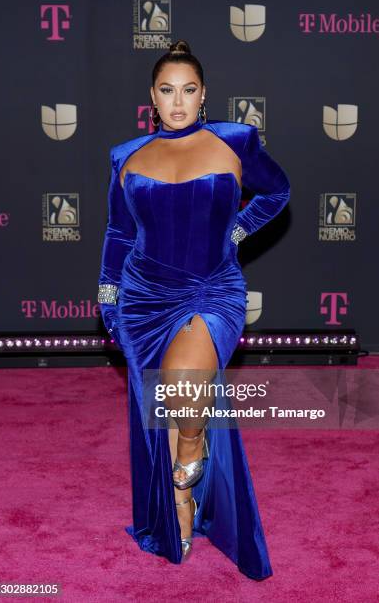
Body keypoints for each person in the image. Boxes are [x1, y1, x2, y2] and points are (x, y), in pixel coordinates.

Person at [97, 39, 290, 581]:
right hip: (143, 298)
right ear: (151, 98)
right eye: (166, 91)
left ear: (203, 96)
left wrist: (237, 229)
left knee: (183, 392)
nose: (176, 101)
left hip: (213, 288)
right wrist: (108, 298)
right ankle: (181, 495)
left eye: (187, 91)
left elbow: (277, 191)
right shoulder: (126, 156)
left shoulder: (234, 141)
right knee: (166, 402)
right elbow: (118, 232)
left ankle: (185, 486)